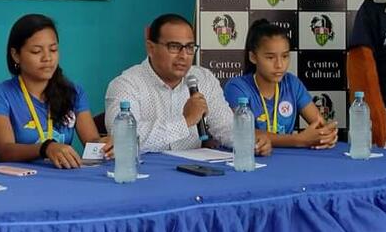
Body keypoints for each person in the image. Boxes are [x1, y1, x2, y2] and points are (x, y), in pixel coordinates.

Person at [105, 13, 271, 155]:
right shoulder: (126, 84)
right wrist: (185, 121)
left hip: (194, 173)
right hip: (145, 175)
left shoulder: (203, 78)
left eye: (190, 47)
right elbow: (123, 139)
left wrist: (248, 141)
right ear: (151, 48)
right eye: (175, 47)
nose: (184, 55)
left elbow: (225, 126)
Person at [0, 14, 104, 169]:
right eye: (36, 51)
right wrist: (46, 148)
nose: (47, 58)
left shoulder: (74, 92)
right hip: (18, 184)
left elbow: (92, 142)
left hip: (64, 180)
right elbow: (4, 150)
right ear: (15, 55)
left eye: (53, 50)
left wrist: (104, 145)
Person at [223, 19, 337, 149]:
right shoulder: (237, 87)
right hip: (253, 160)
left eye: (285, 56)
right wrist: (298, 140)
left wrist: (326, 136)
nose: (279, 65)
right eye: (270, 58)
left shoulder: (292, 83)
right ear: (253, 57)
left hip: (287, 162)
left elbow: (320, 125)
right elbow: (242, 133)